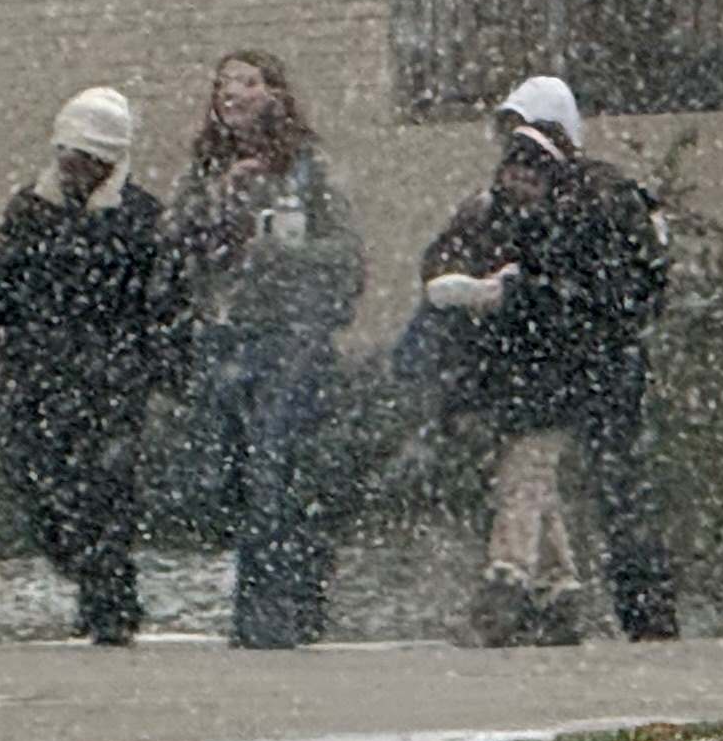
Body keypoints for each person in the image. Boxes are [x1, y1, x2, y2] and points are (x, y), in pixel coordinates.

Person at [416, 75, 676, 646]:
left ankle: (516, 583)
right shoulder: (511, 203)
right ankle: (559, 593)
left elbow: (610, 292)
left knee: (559, 478)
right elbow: (451, 259)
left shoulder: (598, 199)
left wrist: (516, 293)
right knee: (544, 477)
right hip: (543, 363)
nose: (517, 157)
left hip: (577, 364)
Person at [0, 87, 192, 646]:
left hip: (110, 380)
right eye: (67, 152)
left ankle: (109, 602)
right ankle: (85, 568)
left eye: (87, 156)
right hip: (36, 374)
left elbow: (165, 302)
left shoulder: (141, 219)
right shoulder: (30, 210)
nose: (73, 165)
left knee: (106, 493)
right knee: (39, 487)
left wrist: (165, 368)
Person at [161, 51, 366, 649]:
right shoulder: (204, 169)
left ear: (276, 93)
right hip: (222, 336)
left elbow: (348, 258)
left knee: (271, 469)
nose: (232, 93)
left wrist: (279, 250)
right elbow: (174, 242)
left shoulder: (307, 169)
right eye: (223, 83)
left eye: (248, 82)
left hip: (290, 338)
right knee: (224, 478)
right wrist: (216, 203)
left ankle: (268, 617)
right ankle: (299, 589)